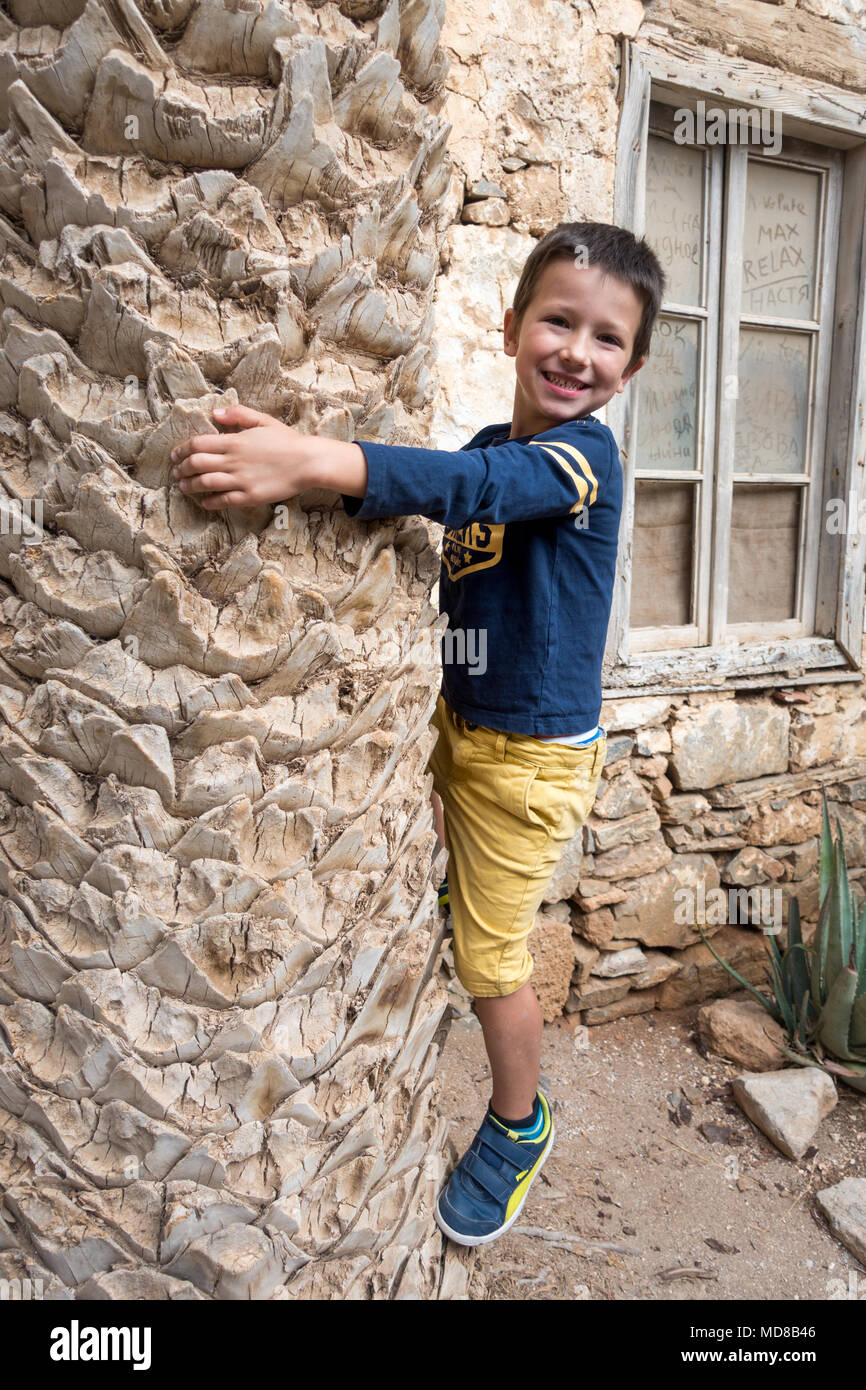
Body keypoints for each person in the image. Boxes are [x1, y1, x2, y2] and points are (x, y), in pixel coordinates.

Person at [170, 220, 666, 1248]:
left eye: (606, 338)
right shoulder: (490, 448)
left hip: (526, 760)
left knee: (489, 958)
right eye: (557, 321)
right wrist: (300, 469)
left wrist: (316, 456)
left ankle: (517, 1124)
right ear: (511, 325)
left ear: (632, 368)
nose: (577, 350)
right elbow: (435, 499)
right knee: (430, 895)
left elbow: (479, 495)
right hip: (452, 720)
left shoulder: (582, 463)